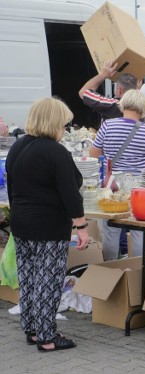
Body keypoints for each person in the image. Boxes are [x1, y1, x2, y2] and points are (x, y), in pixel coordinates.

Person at [7, 97, 89, 352]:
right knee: (48, 281)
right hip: (49, 226)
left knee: (29, 278)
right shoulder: (55, 151)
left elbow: (12, 188)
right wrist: (81, 226)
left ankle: (32, 329)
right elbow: (69, 192)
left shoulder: (18, 147)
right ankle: (48, 336)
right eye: (64, 124)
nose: (65, 129)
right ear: (54, 123)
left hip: (22, 224)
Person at [90, 90, 145, 261]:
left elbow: (94, 154)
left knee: (111, 230)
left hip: (112, 184)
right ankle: (138, 271)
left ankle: (111, 268)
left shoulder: (108, 125)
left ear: (122, 104)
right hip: (140, 186)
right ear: (143, 109)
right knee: (139, 230)